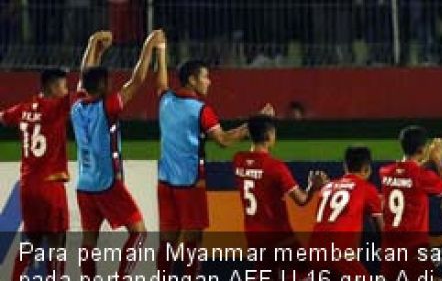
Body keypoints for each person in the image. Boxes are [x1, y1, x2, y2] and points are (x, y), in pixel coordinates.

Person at [156, 57, 273, 276]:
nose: (209, 82)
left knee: (167, 242)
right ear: (192, 80)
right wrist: (256, 123)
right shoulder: (200, 109)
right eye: (205, 77)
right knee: (193, 239)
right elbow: (223, 140)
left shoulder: (165, 99)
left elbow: (161, 83)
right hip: (190, 183)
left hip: (164, 182)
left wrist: (160, 52)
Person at [71, 29, 165, 280]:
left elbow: (84, 77)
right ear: (103, 86)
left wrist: (93, 44)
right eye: (107, 82)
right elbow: (137, 80)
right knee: (140, 232)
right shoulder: (108, 106)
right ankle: (122, 277)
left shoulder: (77, 106)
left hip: (85, 184)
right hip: (108, 184)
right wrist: (148, 46)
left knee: (89, 240)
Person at [1, 67, 71, 281]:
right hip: (50, 185)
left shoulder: (23, 108)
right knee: (57, 242)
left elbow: (3, 117)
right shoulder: (57, 107)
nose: (67, 90)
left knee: (30, 242)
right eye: (63, 86)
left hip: (28, 186)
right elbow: (85, 86)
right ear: (51, 87)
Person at [233, 114, 328, 267]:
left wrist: (254, 124)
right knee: (304, 273)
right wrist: (312, 186)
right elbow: (301, 200)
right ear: (269, 136)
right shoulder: (275, 167)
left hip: (253, 237)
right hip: (279, 235)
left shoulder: (238, 160)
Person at [378, 125, 442, 281]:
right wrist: (438, 161)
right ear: (422, 149)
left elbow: (409, 172)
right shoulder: (422, 177)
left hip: (390, 246)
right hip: (413, 247)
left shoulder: (385, 172)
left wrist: (428, 160)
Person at [309, 146, 384, 278]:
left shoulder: (327, 186)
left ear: (345, 166)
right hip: (340, 252)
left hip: (314, 250)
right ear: (367, 169)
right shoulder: (366, 188)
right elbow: (381, 228)